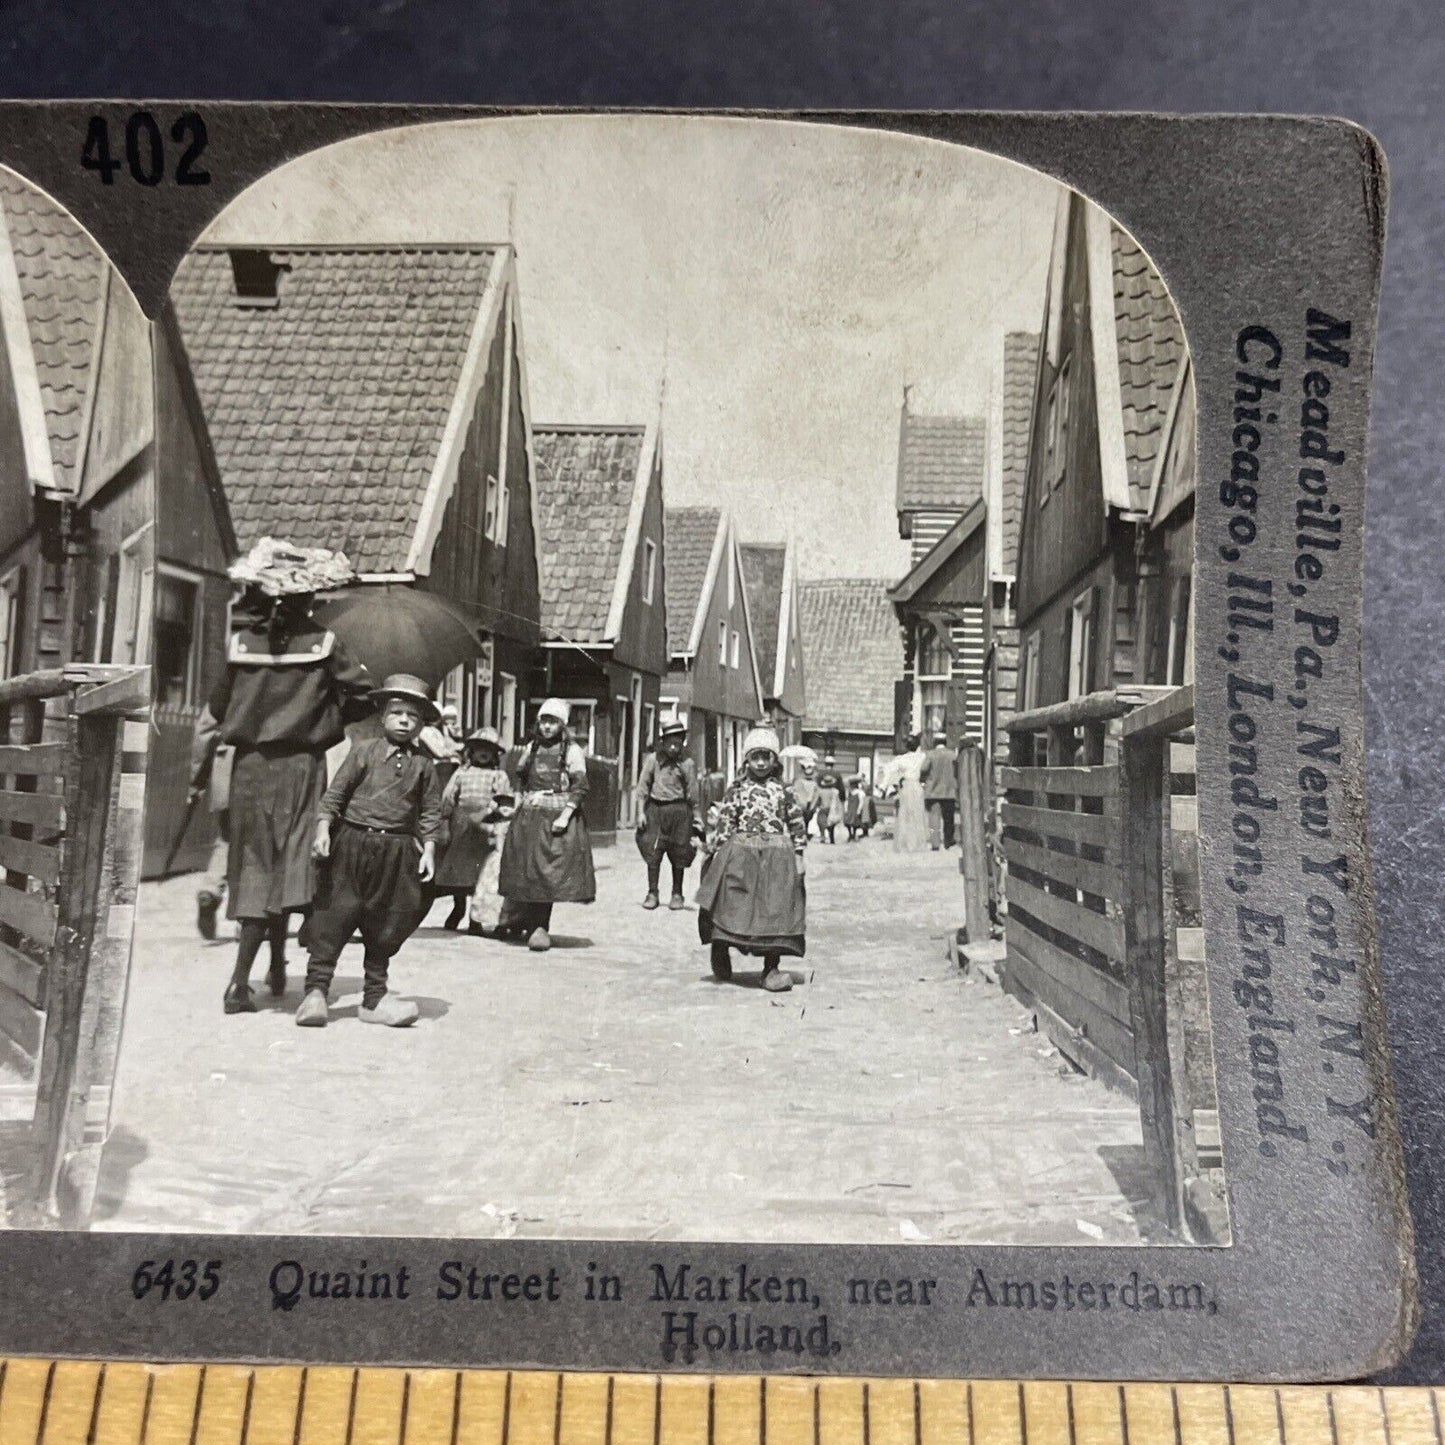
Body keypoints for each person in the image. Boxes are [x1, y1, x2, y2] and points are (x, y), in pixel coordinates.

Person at [194, 539, 370, 1015]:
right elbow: (361, 696)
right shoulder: (326, 644)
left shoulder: (241, 645)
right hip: (300, 767)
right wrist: (324, 711)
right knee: (298, 867)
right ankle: (290, 973)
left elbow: (216, 708)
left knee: (255, 868)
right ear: (308, 598)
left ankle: (242, 980)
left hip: (250, 768)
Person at [298, 674, 443, 1028]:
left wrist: (428, 850)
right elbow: (335, 795)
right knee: (334, 914)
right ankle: (316, 993)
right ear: (383, 717)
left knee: (386, 921)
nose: (405, 721)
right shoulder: (363, 752)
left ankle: (374, 998)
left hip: (396, 852)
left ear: (422, 724)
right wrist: (322, 830)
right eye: (397, 713)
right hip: (352, 843)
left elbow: (430, 813)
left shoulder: (424, 766)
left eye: (413, 716)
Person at [696, 726, 807, 993]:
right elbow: (726, 821)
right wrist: (717, 852)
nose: (760, 763)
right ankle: (720, 948)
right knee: (732, 903)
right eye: (755, 756)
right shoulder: (737, 790)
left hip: (777, 857)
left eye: (765, 757)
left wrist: (799, 855)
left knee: (775, 908)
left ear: (774, 760)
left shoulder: (784, 791)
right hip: (741, 854)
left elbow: (796, 822)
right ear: (746, 759)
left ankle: (771, 968)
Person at [497, 698, 596, 951]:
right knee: (525, 869)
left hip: (556, 815)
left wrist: (565, 816)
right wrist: (518, 802)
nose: (547, 727)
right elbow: (521, 779)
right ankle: (519, 921)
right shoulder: (532, 748)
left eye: (553, 722)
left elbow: (580, 787)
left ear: (562, 724)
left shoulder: (571, 751)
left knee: (547, 873)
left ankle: (540, 927)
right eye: (544, 721)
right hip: (529, 814)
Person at [432, 726, 512, 932]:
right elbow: (448, 799)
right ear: (471, 751)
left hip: (485, 826)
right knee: (460, 870)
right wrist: (444, 823)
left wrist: (491, 812)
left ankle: (475, 918)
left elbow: (504, 801)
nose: (483, 753)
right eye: (479, 748)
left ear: (495, 754)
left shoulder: (498, 776)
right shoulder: (461, 774)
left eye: (488, 749)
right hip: (461, 826)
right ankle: (458, 908)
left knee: (482, 873)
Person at [634, 716, 703, 910]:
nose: (673, 748)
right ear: (662, 742)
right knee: (653, 852)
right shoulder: (653, 760)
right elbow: (642, 788)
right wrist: (641, 813)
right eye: (670, 743)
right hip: (656, 810)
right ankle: (652, 892)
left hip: (680, 812)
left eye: (678, 743)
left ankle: (677, 893)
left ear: (682, 743)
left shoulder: (687, 764)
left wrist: (697, 818)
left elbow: (693, 793)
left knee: (679, 852)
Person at [882, 733, 930, 852]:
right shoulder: (922, 757)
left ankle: (906, 843)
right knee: (918, 814)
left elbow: (888, 769)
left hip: (907, 786)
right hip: (917, 786)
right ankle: (917, 843)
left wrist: (884, 786)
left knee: (905, 814)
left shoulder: (901, 759)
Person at [920, 731, 959, 851]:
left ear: (935, 742)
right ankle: (948, 841)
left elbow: (923, 769)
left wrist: (924, 780)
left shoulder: (930, 755)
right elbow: (957, 771)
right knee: (949, 819)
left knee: (934, 818)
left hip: (933, 791)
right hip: (949, 791)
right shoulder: (952, 755)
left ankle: (935, 843)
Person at [815, 754, 847, 844]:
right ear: (833, 764)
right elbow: (841, 788)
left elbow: (817, 785)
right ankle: (831, 835)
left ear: (825, 764)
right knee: (832, 819)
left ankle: (822, 836)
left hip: (823, 797)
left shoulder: (821, 774)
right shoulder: (837, 774)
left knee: (821, 819)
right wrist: (843, 798)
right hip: (834, 798)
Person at [791, 758, 820, 840]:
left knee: (803, 819)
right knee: (807, 819)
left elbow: (795, 793)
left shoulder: (799, 782)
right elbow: (815, 795)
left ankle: (803, 832)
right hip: (808, 803)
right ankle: (805, 832)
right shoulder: (813, 783)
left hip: (802, 803)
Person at [844, 774, 877, 840]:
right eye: (851, 784)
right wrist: (845, 808)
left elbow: (861, 801)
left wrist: (859, 809)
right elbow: (847, 800)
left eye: (852, 784)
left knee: (855, 822)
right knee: (847, 822)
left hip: (856, 808)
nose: (851, 786)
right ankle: (850, 834)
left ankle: (854, 834)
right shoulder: (849, 792)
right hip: (850, 808)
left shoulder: (860, 792)